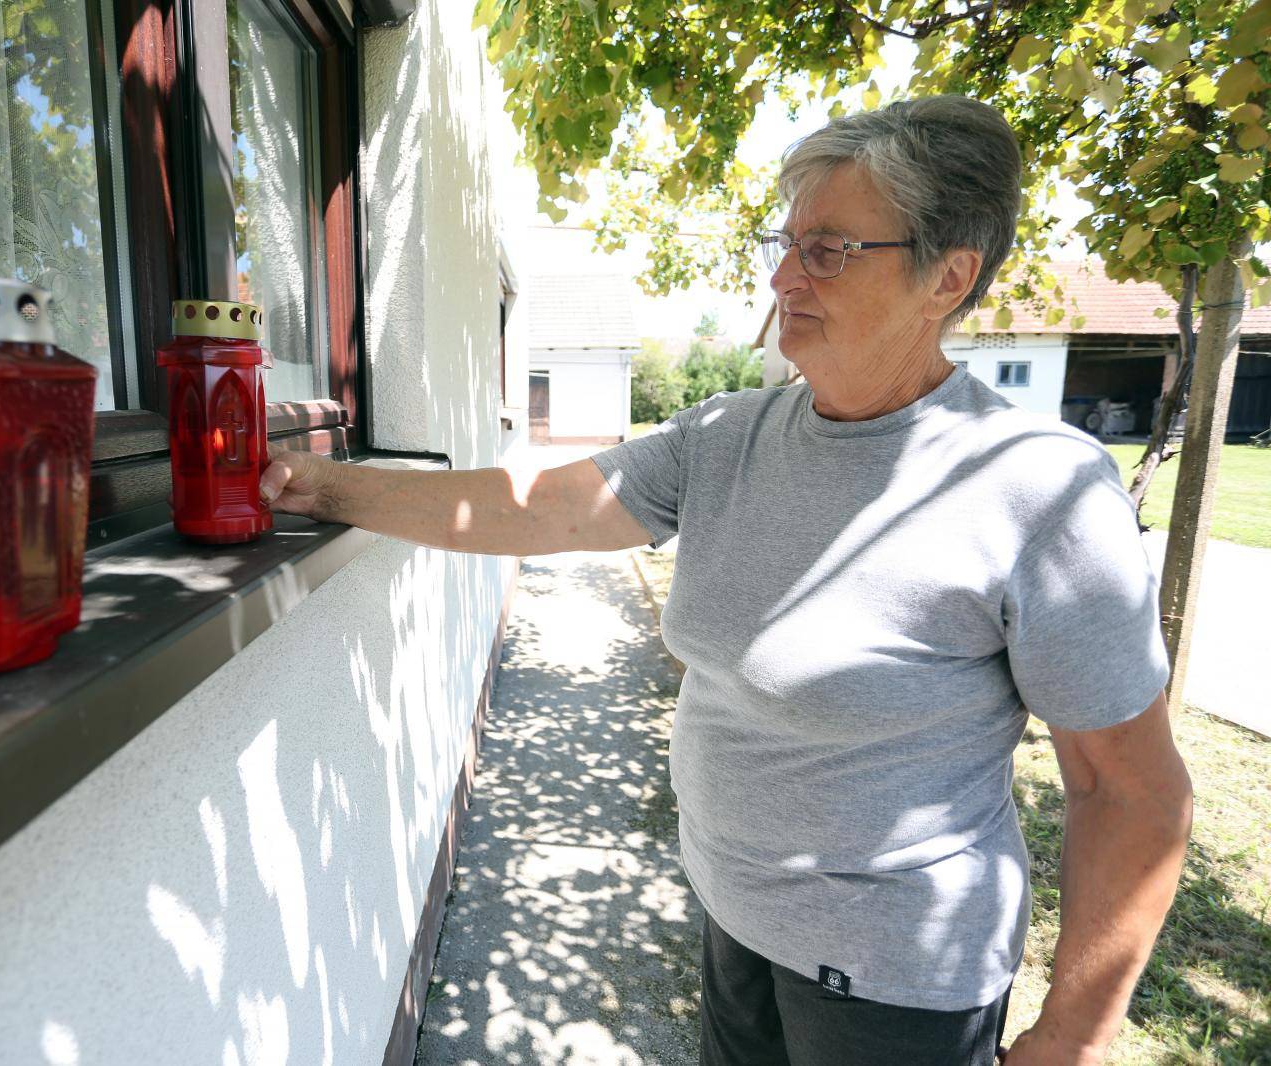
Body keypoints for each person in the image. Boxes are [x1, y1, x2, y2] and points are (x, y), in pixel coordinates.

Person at [258, 97, 1193, 1066]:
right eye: (785, 243)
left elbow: (1127, 789)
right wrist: (317, 484)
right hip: (735, 915)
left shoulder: (1037, 488)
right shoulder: (728, 438)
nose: (783, 277)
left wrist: (1072, 1039)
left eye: (828, 250)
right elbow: (537, 506)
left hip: (891, 977)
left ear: (946, 278)